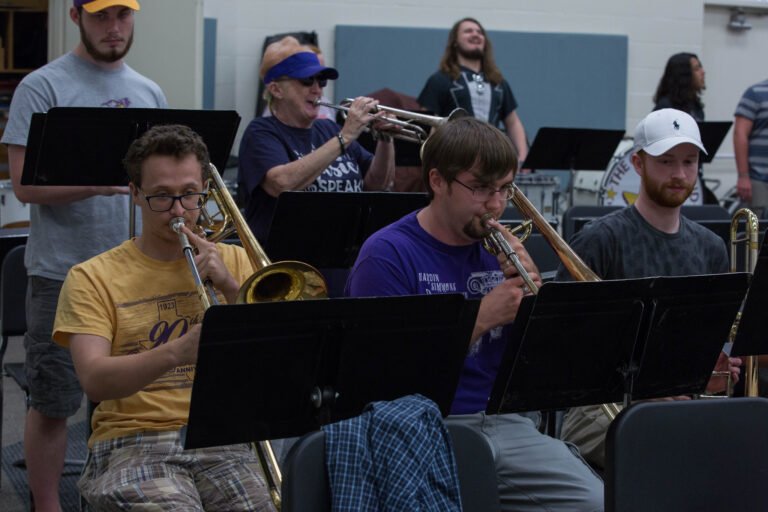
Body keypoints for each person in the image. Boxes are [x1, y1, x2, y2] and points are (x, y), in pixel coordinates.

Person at [345, 116, 603, 512]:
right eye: (481, 188)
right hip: (423, 429)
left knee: (595, 501)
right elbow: (381, 375)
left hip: (505, 423)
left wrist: (535, 308)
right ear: (437, 181)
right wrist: (481, 318)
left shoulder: (500, 249)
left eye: (504, 189)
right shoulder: (386, 254)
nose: (496, 204)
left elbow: (538, 367)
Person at [52, 124, 275, 511]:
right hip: (132, 442)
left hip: (223, 439)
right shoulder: (93, 276)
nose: (177, 210)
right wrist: (176, 353)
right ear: (135, 194)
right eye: (161, 196)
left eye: (189, 194)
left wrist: (227, 283)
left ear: (205, 189)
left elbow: (281, 354)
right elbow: (95, 381)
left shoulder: (236, 262)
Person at [0, 1, 167, 509]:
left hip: (132, 275)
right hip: (63, 275)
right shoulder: (43, 87)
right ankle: (47, 504)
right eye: (101, 17)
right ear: (75, 17)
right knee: (54, 402)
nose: (114, 28)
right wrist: (100, 181)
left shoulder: (149, 91)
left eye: (122, 15)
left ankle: (114, 493)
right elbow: (24, 186)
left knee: (125, 402)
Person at [558, 108, 742, 472]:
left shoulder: (710, 247)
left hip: (682, 400)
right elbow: (564, 349)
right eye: (666, 161)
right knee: (673, 452)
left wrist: (714, 373)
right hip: (603, 404)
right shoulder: (600, 239)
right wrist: (648, 388)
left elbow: (710, 344)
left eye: (690, 162)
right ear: (639, 164)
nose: (680, 174)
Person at [238, 36, 396, 243]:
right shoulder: (261, 132)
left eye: (321, 80)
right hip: (287, 258)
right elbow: (282, 184)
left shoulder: (330, 129)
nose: (317, 89)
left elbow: (378, 184)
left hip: (342, 256)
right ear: (276, 90)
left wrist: (385, 140)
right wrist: (345, 136)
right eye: (306, 81)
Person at [417, 17, 528, 167]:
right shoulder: (440, 79)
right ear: (454, 42)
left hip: (493, 159)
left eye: (480, 32)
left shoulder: (498, 82)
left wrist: (522, 156)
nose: (476, 34)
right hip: (454, 160)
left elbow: (513, 122)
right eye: (468, 31)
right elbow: (428, 122)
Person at [653, 52, 718, 204]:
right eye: (696, 68)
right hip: (672, 181)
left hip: (694, 179)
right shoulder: (665, 107)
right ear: (684, 75)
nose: (703, 72)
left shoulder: (696, 107)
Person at [734, 78, 768, 216]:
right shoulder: (755, 93)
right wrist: (743, 176)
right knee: (758, 231)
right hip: (760, 180)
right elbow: (740, 133)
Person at [653, 52, 706, 121]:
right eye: (696, 69)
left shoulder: (695, 106)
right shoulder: (666, 108)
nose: (703, 72)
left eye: (700, 67)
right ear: (683, 76)